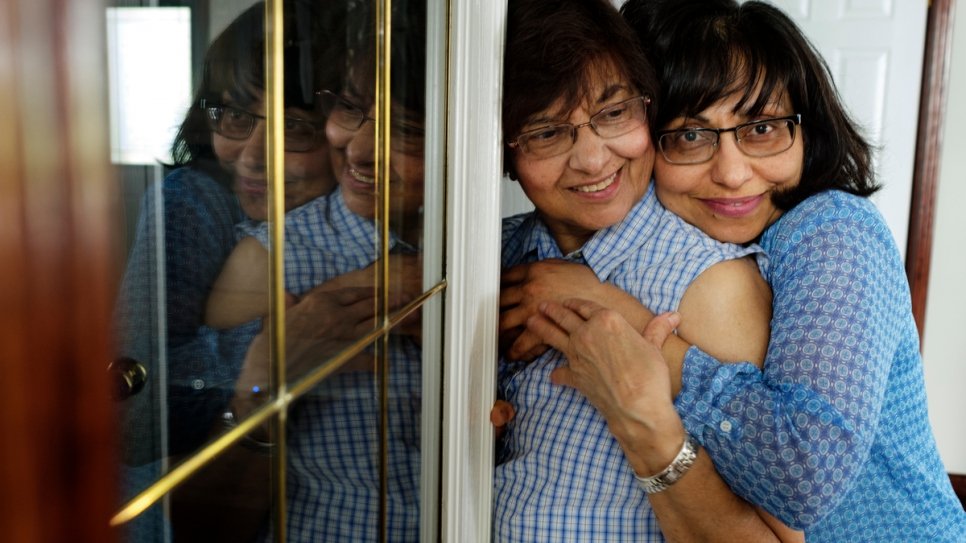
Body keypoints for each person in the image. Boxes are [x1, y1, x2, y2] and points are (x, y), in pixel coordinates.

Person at [514, 1, 966, 541]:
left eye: (762, 129)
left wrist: (625, 319)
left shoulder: (832, 230)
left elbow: (804, 479)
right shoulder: (652, 239)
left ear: (806, 130)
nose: (731, 173)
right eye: (689, 137)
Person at [493, 0, 801, 541]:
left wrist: (643, 422)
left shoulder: (710, 285)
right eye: (545, 132)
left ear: (648, 110)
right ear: (502, 154)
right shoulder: (497, 254)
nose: (593, 160)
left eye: (614, 114)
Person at [112, 1, 341, 539]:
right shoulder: (192, 202)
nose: (254, 156)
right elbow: (134, 419)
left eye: (296, 127)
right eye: (237, 117)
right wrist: (279, 334)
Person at [207, 0, 429, 540]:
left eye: (401, 128)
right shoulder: (269, 260)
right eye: (349, 109)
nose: (359, 150)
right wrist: (270, 379)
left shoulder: (493, 251)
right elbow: (212, 514)